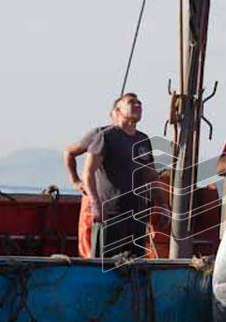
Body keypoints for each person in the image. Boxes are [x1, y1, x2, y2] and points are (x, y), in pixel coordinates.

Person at [83, 93, 161, 258]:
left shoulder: (143, 140)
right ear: (117, 111)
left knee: (135, 264)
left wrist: (162, 204)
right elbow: (88, 173)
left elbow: (151, 174)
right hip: (110, 214)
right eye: (131, 102)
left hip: (137, 214)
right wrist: (95, 203)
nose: (137, 105)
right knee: (105, 264)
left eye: (139, 103)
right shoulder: (106, 137)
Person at [64, 106, 121, 258]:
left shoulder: (135, 139)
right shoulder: (99, 135)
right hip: (94, 197)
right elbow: (69, 152)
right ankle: (88, 268)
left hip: (118, 200)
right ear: (113, 114)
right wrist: (75, 181)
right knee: (89, 239)